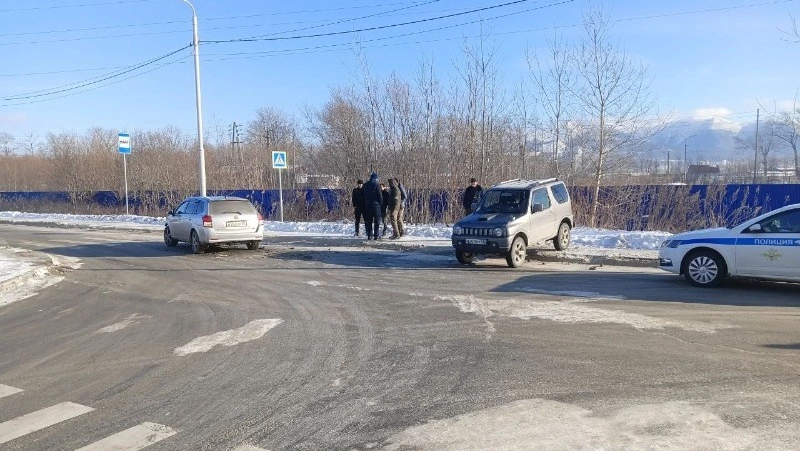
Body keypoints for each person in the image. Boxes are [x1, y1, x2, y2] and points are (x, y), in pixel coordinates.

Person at [362, 172, 383, 240]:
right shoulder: (376, 185)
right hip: (376, 205)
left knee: (369, 221)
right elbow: (380, 196)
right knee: (377, 221)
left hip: (367, 205)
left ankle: (369, 235)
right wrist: (380, 203)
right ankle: (376, 235)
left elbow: (363, 196)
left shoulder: (365, 185)